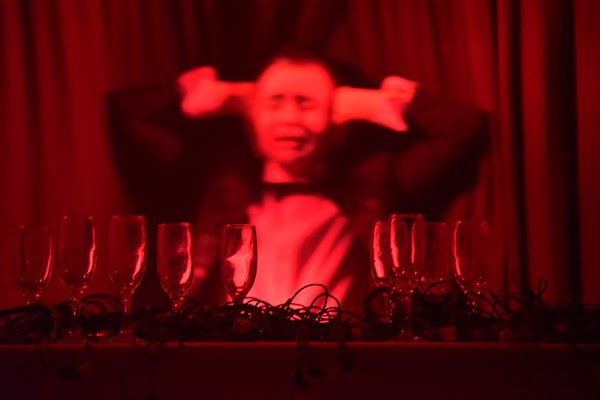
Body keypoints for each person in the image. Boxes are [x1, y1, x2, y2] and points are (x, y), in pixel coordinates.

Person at [108, 47, 487, 315]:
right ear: (250, 121)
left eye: (307, 103)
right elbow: (126, 110)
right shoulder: (211, 184)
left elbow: (464, 127)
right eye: (274, 102)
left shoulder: (375, 184)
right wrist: (230, 96)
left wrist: (378, 102)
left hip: (343, 365)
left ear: (337, 122)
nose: (290, 118)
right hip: (232, 359)